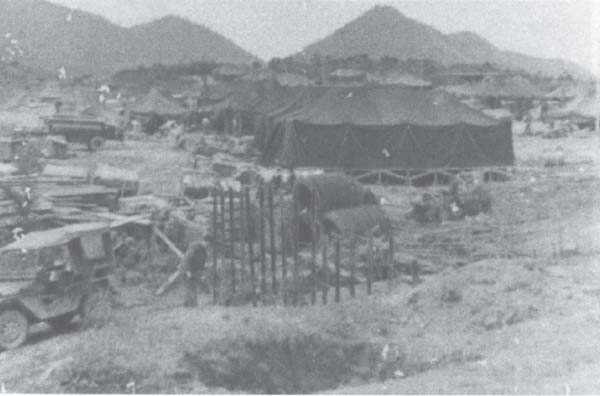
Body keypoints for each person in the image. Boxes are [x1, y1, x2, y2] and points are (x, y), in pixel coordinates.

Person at [183, 240, 208, 307]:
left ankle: (190, 304)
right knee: (190, 287)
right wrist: (188, 271)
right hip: (188, 270)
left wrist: (201, 273)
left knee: (193, 287)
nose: (208, 245)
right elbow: (186, 259)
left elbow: (202, 262)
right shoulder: (194, 247)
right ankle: (190, 305)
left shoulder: (204, 250)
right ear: (204, 241)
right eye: (207, 243)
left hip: (195, 270)